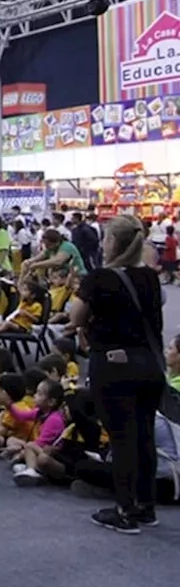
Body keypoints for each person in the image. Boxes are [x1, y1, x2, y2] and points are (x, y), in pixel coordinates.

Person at [69, 215, 167, 533]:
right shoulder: (150, 278)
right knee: (145, 434)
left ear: (112, 242)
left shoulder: (99, 278)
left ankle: (124, 511)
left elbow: (75, 317)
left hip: (113, 366)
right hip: (150, 365)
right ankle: (145, 506)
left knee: (122, 438)